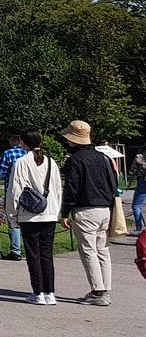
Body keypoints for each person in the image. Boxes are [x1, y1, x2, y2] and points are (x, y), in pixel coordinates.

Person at [59, 120, 118, 306]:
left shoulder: (74, 160)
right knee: (103, 250)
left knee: (88, 251)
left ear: (73, 139)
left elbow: (71, 189)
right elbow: (113, 183)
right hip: (105, 208)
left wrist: (64, 212)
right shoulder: (103, 157)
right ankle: (104, 289)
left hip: (85, 209)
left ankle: (98, 291)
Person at [5, 129, 61, 305]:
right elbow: (58, 189)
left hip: (29, 214)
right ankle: (50, 292)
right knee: (46, 254)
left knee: (33, 254)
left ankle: (38, 292)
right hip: (50, 213)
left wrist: (12, 215)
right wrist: (56, 210)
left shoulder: (21, 163)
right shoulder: (51, 162)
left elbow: (15, 190)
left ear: (23, 143)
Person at [0, 135, 27, 260]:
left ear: (14, 140)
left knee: (13, 220)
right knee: (27, 220)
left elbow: (1, 173)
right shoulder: (28, 154)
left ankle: (16, 251)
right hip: (28, 192)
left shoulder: (7, 154)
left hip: (12, 190)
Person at [131, 152, 146, 236]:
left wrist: (129, 183)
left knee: (136, 205)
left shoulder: (139, 157)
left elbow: (133, 171)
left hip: (143, 181)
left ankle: (138, 228)